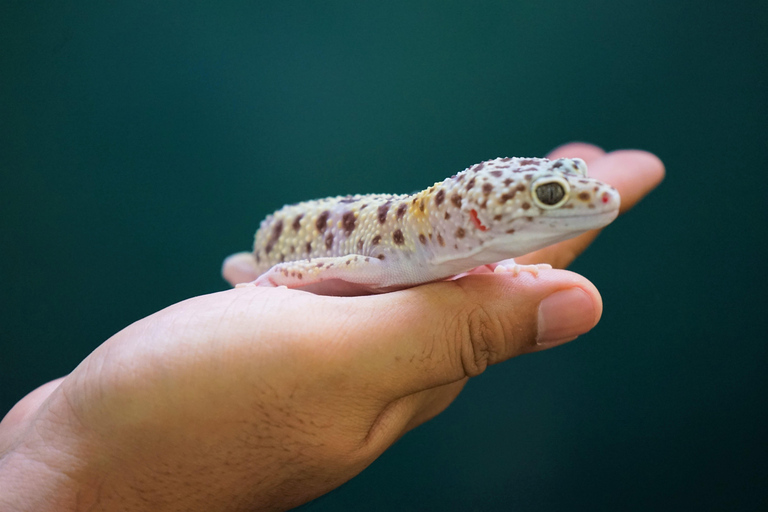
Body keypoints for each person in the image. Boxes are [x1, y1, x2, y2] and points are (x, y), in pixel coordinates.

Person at [0, 143, 664, 511]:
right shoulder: (386, 254)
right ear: (481, 219)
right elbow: (284, 273)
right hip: (271, 248)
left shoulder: (464, 242)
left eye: (566, 187)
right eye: (551, 196)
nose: (587, 198)